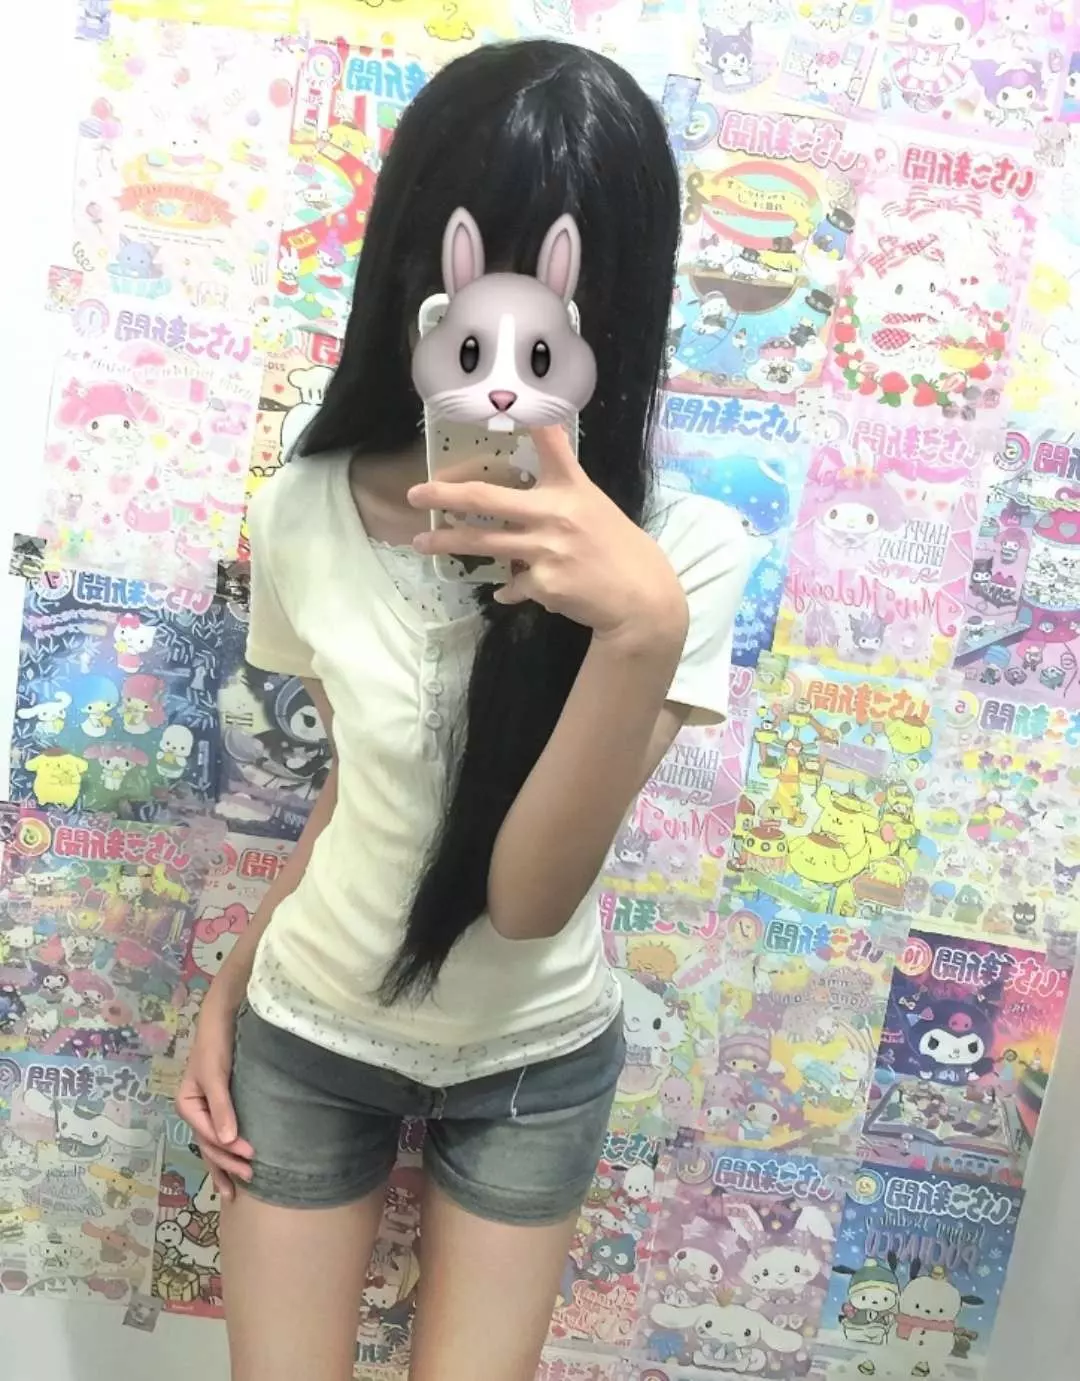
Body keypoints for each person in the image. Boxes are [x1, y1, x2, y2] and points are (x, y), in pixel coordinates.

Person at [177, 38, 749, 1381]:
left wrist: (638, 628)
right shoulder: (303, 507)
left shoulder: (681, 557)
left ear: (608, 306)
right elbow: (355, 793)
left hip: (534, 1061)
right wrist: (227, 986)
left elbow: (530, 901)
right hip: (309, 1031)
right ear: (415, 277)